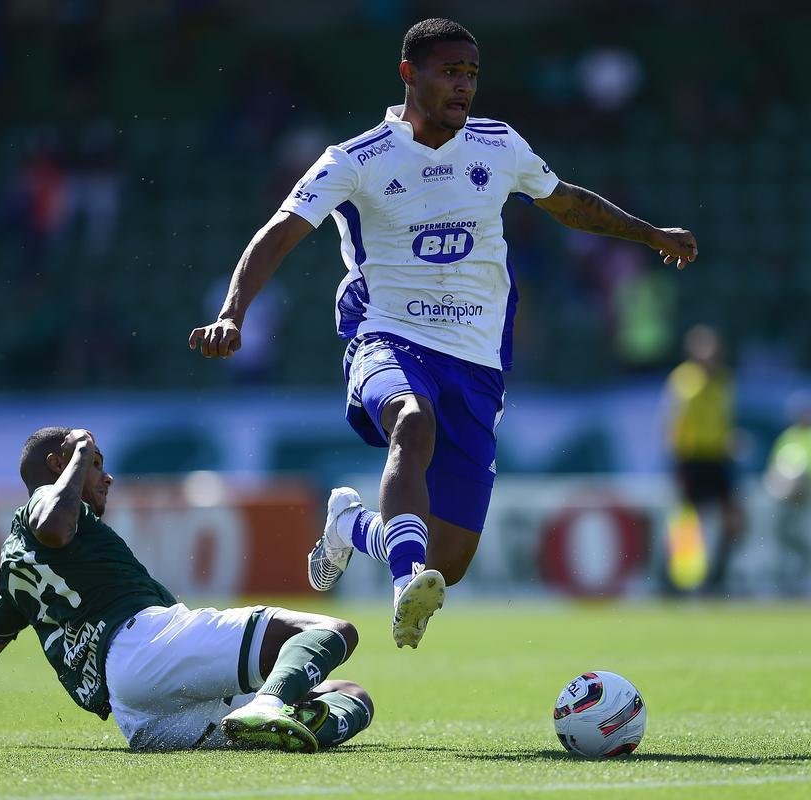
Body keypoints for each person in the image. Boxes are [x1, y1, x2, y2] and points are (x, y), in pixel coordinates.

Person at [190, 18, 698, 648]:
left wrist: (648, 233)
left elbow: (565, 201)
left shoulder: (499, 145)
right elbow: (279, 234)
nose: (464, 86)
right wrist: (233, 313)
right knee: (412, 420)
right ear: (410, 74)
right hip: (387, 337)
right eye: (450, 71)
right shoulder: (356, 160)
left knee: (450, 560)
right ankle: (404, 583)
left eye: (472, 74)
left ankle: (351, 526)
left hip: (477, 359)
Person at [0, 427, 373, 753]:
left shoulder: (13, 575)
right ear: (58, 465)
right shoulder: (45, 507)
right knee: (329, 630)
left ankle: (283, 719)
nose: (105, 476)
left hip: (136, 714)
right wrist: (79, 449)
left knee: (350, 695)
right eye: (96, 463)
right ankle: (270, 706)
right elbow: (52, 527)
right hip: (145, 644)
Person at [663, 325, 741, 593]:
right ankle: (673, 578)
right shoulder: (684, 380)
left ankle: (717, 576)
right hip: (692, 457)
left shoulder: (724, 380)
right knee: (688, 521)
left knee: (733, 519)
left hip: (718, 457)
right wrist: (675, 457)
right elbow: (671, 421)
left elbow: (725, 417)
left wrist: (730, 439)